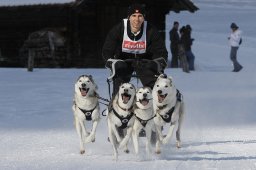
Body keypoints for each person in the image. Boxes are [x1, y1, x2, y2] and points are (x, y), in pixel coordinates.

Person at [102, 3, 168, 97]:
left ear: (144, 17)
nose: (137, 20)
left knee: (153, 85)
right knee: (120, 87)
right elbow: (107, 50)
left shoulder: (151, 30)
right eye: (134, 16)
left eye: (140, 16)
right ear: (129, 17)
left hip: (144, 62)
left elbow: (161, 51)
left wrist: (157, 64)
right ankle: (115, 106)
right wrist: (113, 63)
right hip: (124, 61)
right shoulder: (119, 29)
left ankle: (156, 106)